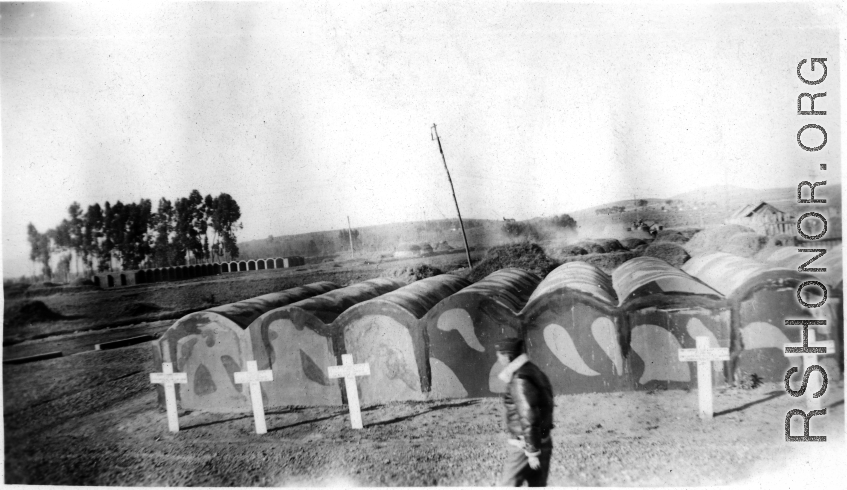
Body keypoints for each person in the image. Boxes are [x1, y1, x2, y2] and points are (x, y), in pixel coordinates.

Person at [495, 337, 555, 487]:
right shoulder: (533, 370)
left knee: (507, 485)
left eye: (499, 356)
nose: (498, 359)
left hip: (525, 447)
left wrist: (532, 452)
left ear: (507, 357)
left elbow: (529, 416)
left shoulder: (519, 378)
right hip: (542, 440)